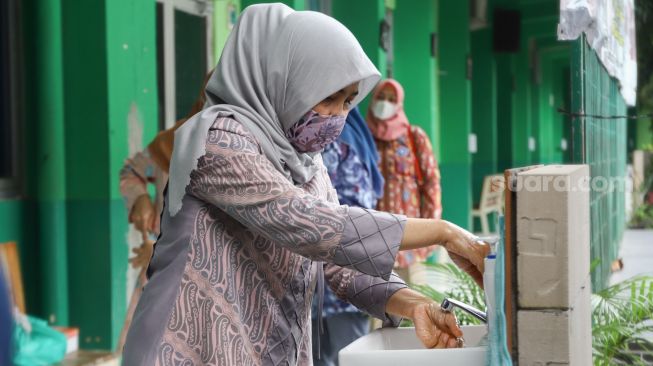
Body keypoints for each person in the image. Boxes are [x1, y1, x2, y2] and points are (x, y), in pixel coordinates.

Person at [122, 4, 487, 365]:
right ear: (282, 79)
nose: (337, 116)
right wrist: (442, 232)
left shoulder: (307, 163)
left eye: (347, 102)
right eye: (328, 98)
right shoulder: (218, 139)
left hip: (261, 347)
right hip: (189, 348)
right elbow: (305, 222)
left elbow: (337, 265)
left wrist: (414, 303)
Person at [117, 73, 210, 352]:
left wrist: (162, 253)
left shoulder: (244, 154)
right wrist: (141, 200)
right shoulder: (171, 142)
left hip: (209, 287)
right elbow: (132, 170)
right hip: (158, 272)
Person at [312, 106, 384, 365]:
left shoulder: (331, 142)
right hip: (349, 270)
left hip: (336, 275)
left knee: (341, 354)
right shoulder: (355, 139)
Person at [367, 79, 443, 274]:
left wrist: (431, 231)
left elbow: (431, 183)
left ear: (399, 103)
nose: (385, 103)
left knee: (413, 297)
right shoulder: (364, 137)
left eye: (391, 99)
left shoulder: (414, 137)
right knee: (373, 299)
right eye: (381, 97)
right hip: (370, 235)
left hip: (409, 237)